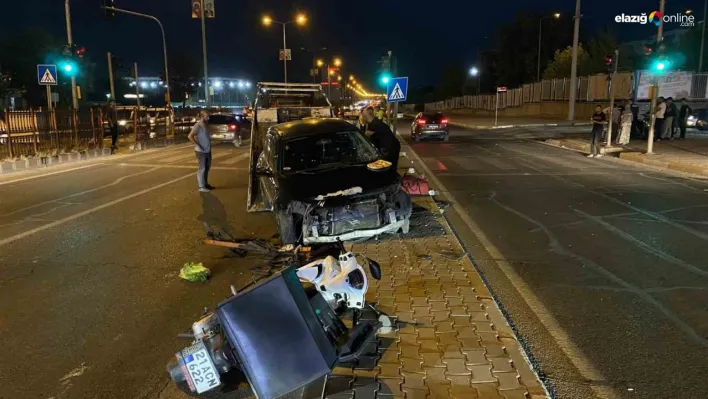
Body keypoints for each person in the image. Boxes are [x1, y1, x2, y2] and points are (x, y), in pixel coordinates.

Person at [188, 110, 214, 192]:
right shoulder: (197, 126)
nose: (208, 118)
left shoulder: (205, 125)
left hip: (207, 150)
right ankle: (201, 187)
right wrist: (197, 145)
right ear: (202, 117)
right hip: (201, 152)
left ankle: (205, 184)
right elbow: (190, 136)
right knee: (202, 168)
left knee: (207, 168)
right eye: (207, 116)